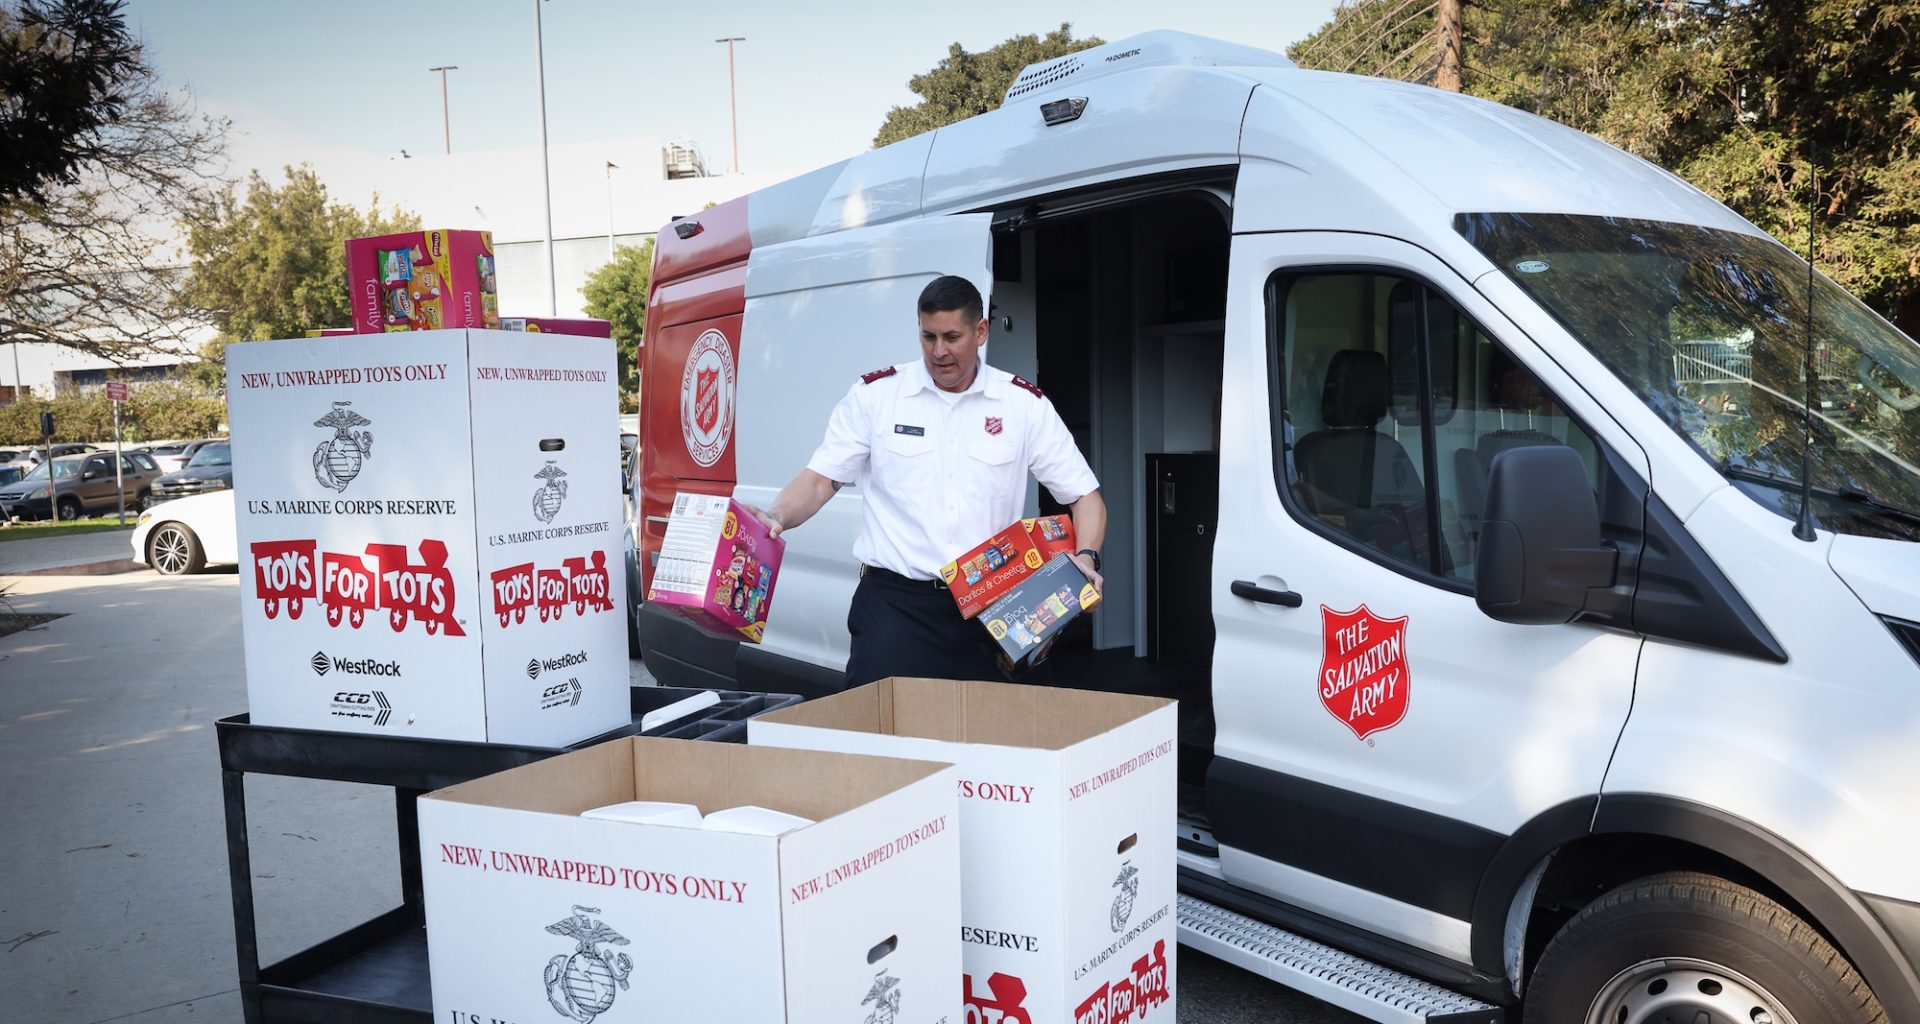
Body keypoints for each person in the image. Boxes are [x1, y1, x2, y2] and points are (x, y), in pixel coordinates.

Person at [747, 275, 1106, 686]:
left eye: (952, 336)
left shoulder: (1023, 406)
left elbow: (1085, 497)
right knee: (881, 739)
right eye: (928, 336)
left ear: (982, 331)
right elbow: (818, 482)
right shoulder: (877, 397)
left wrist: (1086, 558)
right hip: (897, 609)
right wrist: (775, 516)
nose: (939, 351)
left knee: (996, 741)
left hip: (995, 606)